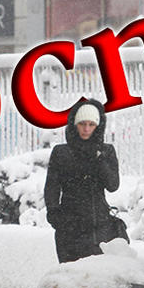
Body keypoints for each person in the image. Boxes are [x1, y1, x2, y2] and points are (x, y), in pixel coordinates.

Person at [44, 98, 122, 263]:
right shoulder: (61, 152)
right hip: (69, 226)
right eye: (82, 124)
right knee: (70, 277)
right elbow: (52, 186)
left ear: (98, 126)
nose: (86, 129)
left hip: (98, 226)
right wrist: (54, 214)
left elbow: (113, 185)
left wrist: (99, 159)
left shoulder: (106, 151)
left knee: (97, 276)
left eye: (91, 125)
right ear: (74, 124)